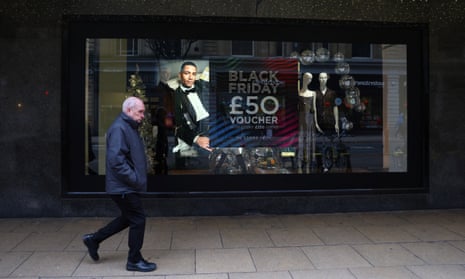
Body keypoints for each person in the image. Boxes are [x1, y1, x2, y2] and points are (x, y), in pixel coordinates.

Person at [82, 96, 156, 272]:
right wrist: (135, 179)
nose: (143, 115)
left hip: (125, 186)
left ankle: (94, 239)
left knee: (128, 218)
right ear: (128, 111)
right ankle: (134, 260)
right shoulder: (119, 128)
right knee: (138, 219)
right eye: (140, 112)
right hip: (124, 187)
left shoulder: (128, 126)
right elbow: (116, 161)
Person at [172, 61, 212, 153]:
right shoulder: (175, 96)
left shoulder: (202, 85)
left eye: (193, 74)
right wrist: (196, 138)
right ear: (180, 75)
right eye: (187, 73)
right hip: (197, 132)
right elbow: (178, 125)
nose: (190, 77)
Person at [297, 73, 322, 173]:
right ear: (303, 78)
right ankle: (299, 163)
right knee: (300, 141)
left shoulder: (313, 93)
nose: (309, 80)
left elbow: (314, 108)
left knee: (308, 141)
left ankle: (308, 163)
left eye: (310, 79)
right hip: (301, 117)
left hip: (310, 118)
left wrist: (316, 123)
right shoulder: (298, 93)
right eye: (307, 78)